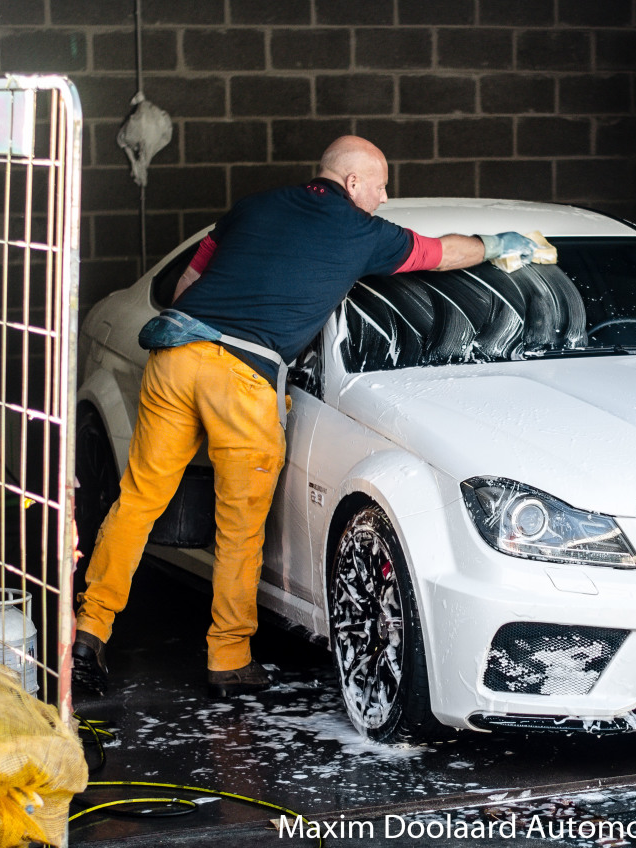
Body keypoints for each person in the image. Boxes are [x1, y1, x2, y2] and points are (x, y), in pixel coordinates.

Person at [73, 135, 537, 698]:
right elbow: (443, 254)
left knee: (139, 501)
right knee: (240, 526)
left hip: (175, 355)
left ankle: (87, 635)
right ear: (351, 184)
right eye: (381, 184)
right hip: (241, 376)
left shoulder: (254, 206)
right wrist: (496, 244)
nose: (385, 197)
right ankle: (229, 658)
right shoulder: (363, 232)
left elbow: (191, 284)